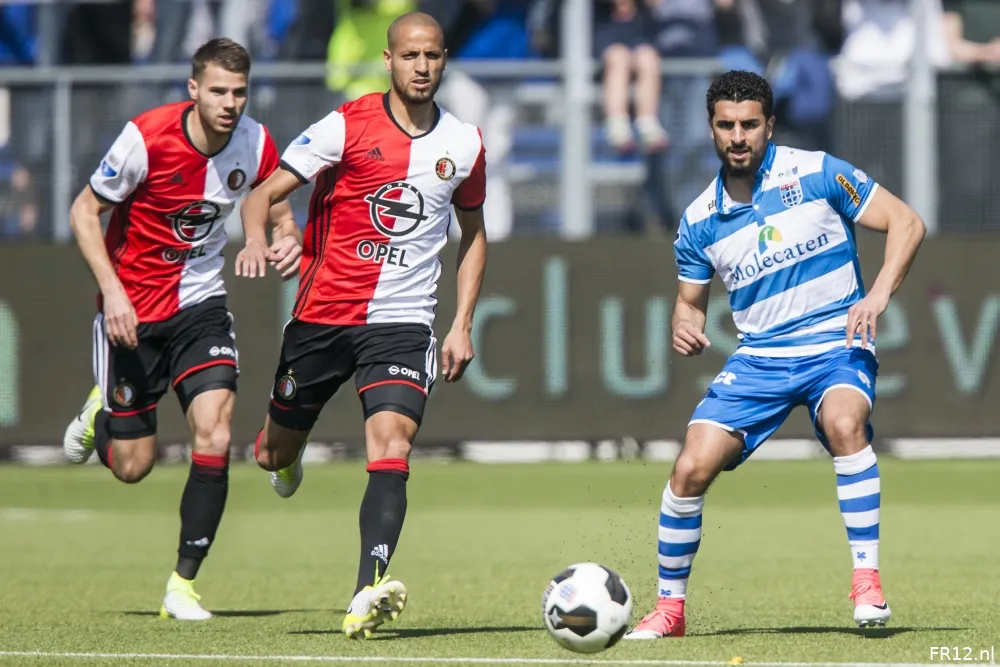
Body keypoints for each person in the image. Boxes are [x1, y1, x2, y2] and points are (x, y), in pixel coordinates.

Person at [624, 70, 925, 639]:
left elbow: (906, 222)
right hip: (759, 359)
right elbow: (689, 303)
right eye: (726, 125)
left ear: (770, 126)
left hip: (834, 346)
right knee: (689, 469)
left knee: (844, 422)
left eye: (749, 125)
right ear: (711, 128)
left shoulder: (816, 172)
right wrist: (683, 324)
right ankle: (670, 610)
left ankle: (867, 583)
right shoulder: (697, 221)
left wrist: (879, 293)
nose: (738, 136)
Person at [237, 12, 488, 639]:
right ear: (389, 60)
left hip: (402, 324)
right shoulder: (345, 125)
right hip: (323, 316)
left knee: (393, 444)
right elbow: (263, 194)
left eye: (432, 56)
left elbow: (475, 234)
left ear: (445, 59)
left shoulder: (464, 144)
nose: (422, 67)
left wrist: (461, 323)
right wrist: (258, 239)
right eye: (410, 56)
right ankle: (282, 461)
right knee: (273, 449)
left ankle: (365, 591)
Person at [61, 38, 303, 621]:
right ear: (193, 89)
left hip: (201, 308)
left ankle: (182, 585)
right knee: (132, 467)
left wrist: (284, 235)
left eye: (239, 92)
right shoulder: (146, 138)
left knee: (214, 433)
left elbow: (276, 202)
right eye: (218, 91)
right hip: (132, 316)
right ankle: (103, 410)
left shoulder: (256, 140)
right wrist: (114, 292)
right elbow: (82, 212)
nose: (230, 103)